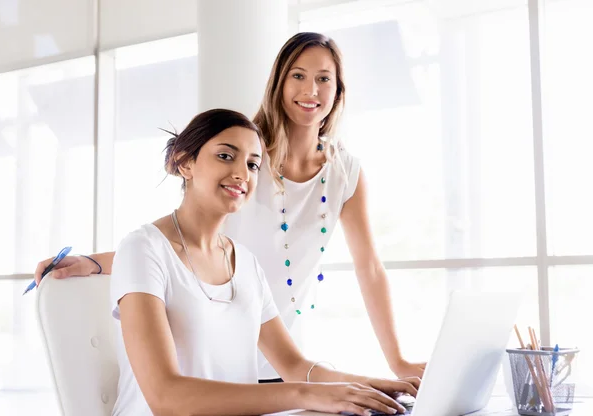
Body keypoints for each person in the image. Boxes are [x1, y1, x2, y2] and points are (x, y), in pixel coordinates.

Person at [35, 32, 426, 382]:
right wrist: (95, 262)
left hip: (285, 361)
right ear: (278, 83)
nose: (311, 89)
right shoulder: (244, 158)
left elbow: (369, 268)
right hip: (212, 357)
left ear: (338, 90)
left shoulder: (344, 172)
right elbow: (181, 247)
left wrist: (398, 362)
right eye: (298, 75)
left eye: (324, 78)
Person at [104, 108, 419, 416]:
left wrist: (369, 385)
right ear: (186, 163)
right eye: (226, 156)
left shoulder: (245, 262)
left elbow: (294, 366)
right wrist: (305, 395)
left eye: (253, 164)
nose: (242, 173)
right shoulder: (143, 249)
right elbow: (164, 396)